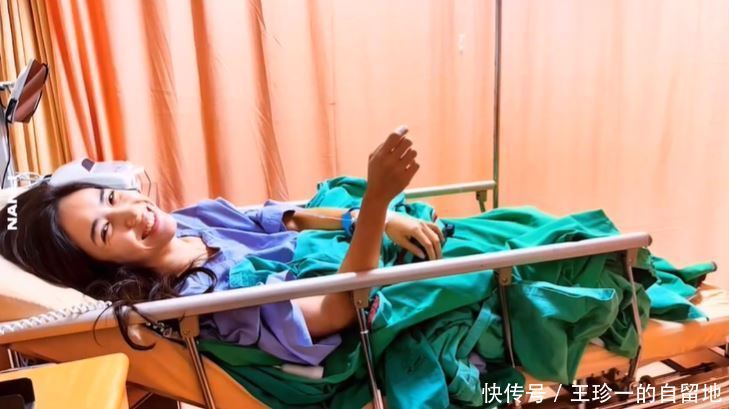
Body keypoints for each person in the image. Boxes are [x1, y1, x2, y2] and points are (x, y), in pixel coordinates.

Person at [0, 132, 443, 363]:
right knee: (487, 253)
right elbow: (336, 311)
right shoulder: (205, 300)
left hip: (366, 243)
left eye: (112, 197)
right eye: (105, 231)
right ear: (106, 268)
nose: (131, 213)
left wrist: (370, 218)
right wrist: (376, 203)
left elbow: (289, 217)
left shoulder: (192, 220)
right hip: (366, 288)